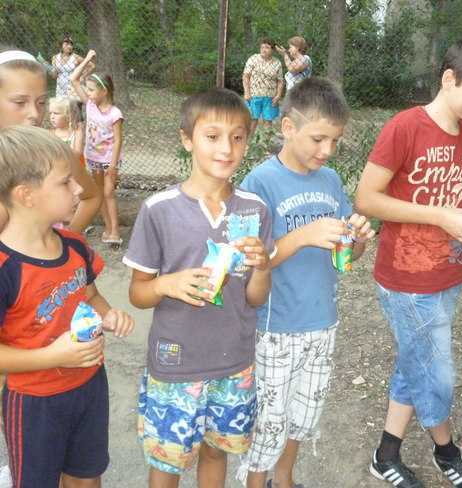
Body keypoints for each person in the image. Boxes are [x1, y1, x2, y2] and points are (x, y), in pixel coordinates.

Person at [355, 38, 462, 488]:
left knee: (414, 361)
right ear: (449, 79)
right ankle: (447, 452)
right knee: (435, 373)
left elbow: (442, 197)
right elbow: (366, 199)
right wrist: (440, 216)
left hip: (446, 270)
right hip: (406, 279)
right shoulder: (405, 127)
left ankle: (386, 454)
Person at [123, 87, 274, 488]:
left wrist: (262, 266)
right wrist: (167, 284)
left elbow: (256, 297)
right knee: (168, 460)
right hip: (176, 364)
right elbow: (138, 294)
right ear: (187, 139)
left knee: (216, 451)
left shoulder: (255, 209)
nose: (226, 148)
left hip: (234, 362)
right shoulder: (158, 210)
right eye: (212, 136)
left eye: (237, 137)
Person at [238, 76, 375, 488]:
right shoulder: (260, 183)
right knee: (270, 420)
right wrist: (302, 237)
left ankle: (284, 479)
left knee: (302, 415)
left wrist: (358, 239)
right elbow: (249, 261)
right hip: (275, 328)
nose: (327, 150)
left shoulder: (330, 181)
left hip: (322, 323)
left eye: (335, 141)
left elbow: (346, 257)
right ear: (288, 127)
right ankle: (256, 481)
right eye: (318, 139)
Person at [0, 125, 134, 488]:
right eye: (65, 182)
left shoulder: (74, 246)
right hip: (35, 402)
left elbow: (90, 296)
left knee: (87, 478)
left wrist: (109, 315)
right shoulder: (6, 268)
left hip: (89, 385)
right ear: (26, 195)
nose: (78, 188)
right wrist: (53, 356)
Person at [0, 47, 101, 234]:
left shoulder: (53, 152)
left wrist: (66, 240)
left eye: (41, 103)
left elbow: (91, 196)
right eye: (20, 102)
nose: (34, 113)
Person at [70, 50, 123, 246]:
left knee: (109, 193)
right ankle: (108, 228)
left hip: (108, 160)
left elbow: (118, 140)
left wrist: (113, 165)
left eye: (91, 90)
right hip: (93, 158)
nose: (88, 93)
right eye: (88, 90)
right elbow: (73, 79)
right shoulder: (90, 105)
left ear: (104, 91)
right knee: (99, 193)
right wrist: (86, 60)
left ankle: (115, 231)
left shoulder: (115, 114)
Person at [242, 38, 283, 137]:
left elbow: (280, 81)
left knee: (268, 121)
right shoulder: (253, 59)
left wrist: (278, 95)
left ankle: (266, 144)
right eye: (262, 47)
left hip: (270, 97)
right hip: (254, 95)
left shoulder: (277, 63)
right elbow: (246, 76)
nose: (264, 50)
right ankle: (248, 143)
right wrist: (247, 92)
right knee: (252, 120)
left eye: (267, 47)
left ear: (272, 50)